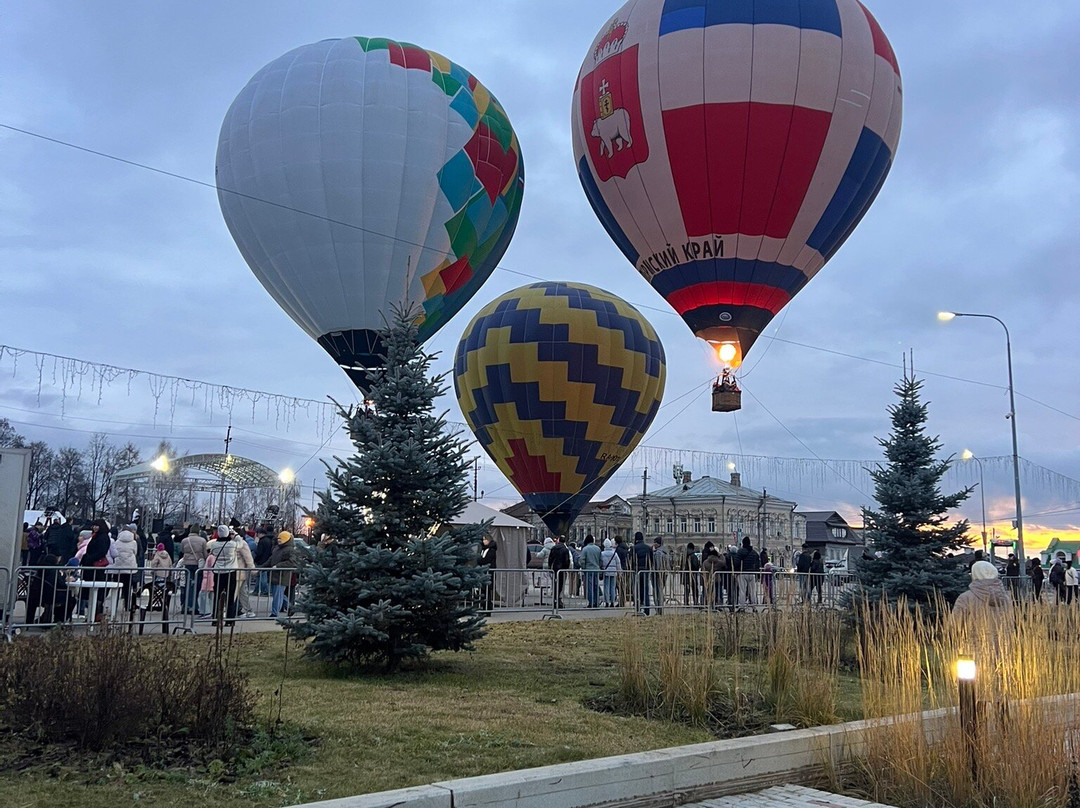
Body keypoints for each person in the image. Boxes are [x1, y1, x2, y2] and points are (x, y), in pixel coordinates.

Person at [952, 560, 1011, 631]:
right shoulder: (1006, 598)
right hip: (1002, 637)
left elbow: (955, 625)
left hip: (975, 637)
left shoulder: (965, 598)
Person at [207, 525, 241, 627]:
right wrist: (236, 534)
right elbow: (240, 544)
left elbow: (211, 552)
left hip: (218, 572)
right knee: (230, 597)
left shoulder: (214, 545)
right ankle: (230, 620)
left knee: (217, 596)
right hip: (231, 571)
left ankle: (215, 619)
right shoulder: (232, 544)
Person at [110, 526, 140, 611]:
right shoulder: (134, 542)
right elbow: (135, 552)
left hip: (118, 567)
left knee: (116, 588)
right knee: (127, 589)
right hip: (129, 567)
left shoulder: (117, 541)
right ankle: (127, 606)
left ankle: (114, 606)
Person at [268, 531, 297, 617]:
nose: (279, 540)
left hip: (282, 575)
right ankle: (291, 607)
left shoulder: (290, 550)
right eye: (278, 539)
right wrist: (262, 567)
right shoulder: (277, 548)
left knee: (278, 595)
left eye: (281, 539)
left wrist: (278, 566)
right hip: (275, 575)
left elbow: (292, 562)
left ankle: (274, 613)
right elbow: (271, 559)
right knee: (278, 594)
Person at [180, 528, 208, 615]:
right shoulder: (202, 540)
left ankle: (187, 605)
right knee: (197, 586)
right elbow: (205, 553)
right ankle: (195, 606)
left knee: (188, 585)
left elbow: (182, 551)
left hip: (187, 564)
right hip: (198, 564)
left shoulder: (185, 540)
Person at [734, 536, 760, 609]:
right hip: (752, 573)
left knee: (742, 590)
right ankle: (754, 606)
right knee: (752, 591)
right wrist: (757, 573)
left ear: (743, 543)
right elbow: (758, 563)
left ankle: (741, 606)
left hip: (743, 573)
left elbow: (736, 562)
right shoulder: (754, 552)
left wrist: (736, 571)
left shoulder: (740, 551)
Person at [547, 536, 572, 610]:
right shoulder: (565, 549)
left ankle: (555, 600)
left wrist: (550, 566)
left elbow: (550, 559)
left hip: (555, 568)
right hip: (561, 569)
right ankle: (558, 600)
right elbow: (567, 560)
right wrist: (566, 568)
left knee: (555, 585)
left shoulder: (554, 548)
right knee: (560, 586)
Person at [632, 532, 653, 615]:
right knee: (645, 590)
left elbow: (631, 559)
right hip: (645, 571)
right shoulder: (648, 548)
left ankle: (637, 609)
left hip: (637, 571)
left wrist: (633, 568)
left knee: (637, 590)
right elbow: (651, 560)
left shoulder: (634, 548)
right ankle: (647, 609)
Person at [580, 535, 602, 608]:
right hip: (596, 569)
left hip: (588, 569)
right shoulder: (598, 548)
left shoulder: (585, 549)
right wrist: (598, 566)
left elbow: (582, 560)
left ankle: (591, 602)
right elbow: (601, 560)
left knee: (589, 587)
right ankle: (596, 601)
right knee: (596, 586)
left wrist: (583, 568)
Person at [478, 535, 498, 612]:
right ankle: (484, 607)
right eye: (483, 540)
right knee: (484, 591)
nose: (483, 541)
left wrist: (480, 560)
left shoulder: (491, 550)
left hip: (488, 573)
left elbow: (486, 560)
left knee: (487, 591)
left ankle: (488, 608)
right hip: (483, 573)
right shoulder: (484, 549)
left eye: (485, 540)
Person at [600, 538, 622, 607]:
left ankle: (607, 601)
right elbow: (618, 563)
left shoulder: (602, 554)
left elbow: (600, 562)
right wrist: (619, 571)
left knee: (606, 587)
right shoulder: (614, 554)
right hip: (613, 571)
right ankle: (612, 601)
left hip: (606, 571)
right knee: (613, 587)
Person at [702, 544, 723, 610]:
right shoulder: (718, 562)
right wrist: (721, 555)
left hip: (708, 579)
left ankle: (706, 604)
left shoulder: (705, 562)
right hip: (717, 579)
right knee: (717, 593)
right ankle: (717, 605)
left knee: (707, 592)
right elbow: (724, 563)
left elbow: (703, 569)